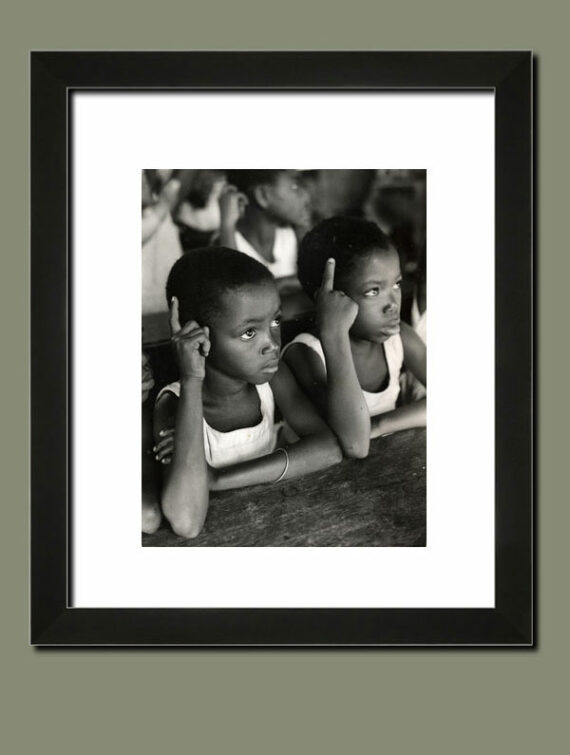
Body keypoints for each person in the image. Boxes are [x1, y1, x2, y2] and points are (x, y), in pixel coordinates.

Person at [152, 247, 342, 539]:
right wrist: (192, 378)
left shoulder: (272, 377)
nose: (272, 344)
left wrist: (215, 479)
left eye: (276, 321)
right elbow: (187, 522)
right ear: (196, 335)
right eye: (249, 333)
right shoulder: (174, 403)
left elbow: (329, 449)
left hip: (275, 526)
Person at [282, 216, 426, 460]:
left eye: (397, 284)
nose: (392, 304)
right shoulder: (307, 354)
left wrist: (378, 425)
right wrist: (333, 333)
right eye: (373, 291)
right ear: (329, 298)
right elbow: (353, 444)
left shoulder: (398, 336)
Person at [218, 170, 310, 293]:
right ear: (262, 195)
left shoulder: (295, 233)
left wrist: (282, 284)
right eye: (294, 187)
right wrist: (227, 226)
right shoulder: (227, 242)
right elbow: (235, 293)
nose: (306, 196)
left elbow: (320, 276)